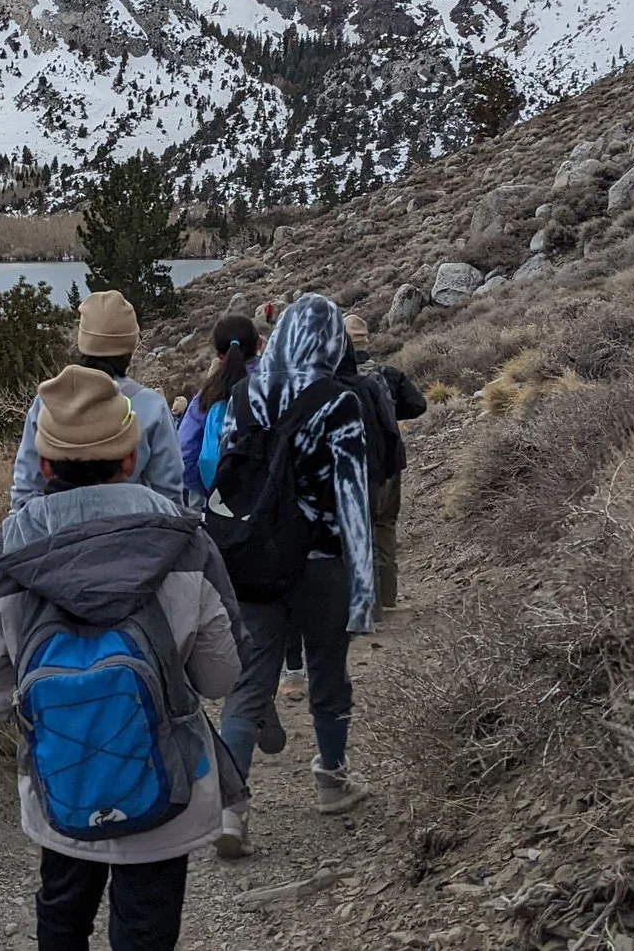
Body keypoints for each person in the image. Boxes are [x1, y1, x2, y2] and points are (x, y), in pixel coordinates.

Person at [0, 366, 244, 951]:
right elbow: (221, 675)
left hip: (61, 790)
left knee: (62, 917)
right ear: (131, 456)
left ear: (43, 466)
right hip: (169, 790)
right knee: (146, 928)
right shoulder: (186, 543)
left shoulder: (5, 559)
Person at [209, 295, 375, 858]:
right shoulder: (340, 403)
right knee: (328, 672)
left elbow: (229, 476)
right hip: (321, 562)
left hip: (253, 558)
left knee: (249, 682)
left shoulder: (242, 396)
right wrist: (365, 590)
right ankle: (331, 780)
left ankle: (231, 809)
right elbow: (353, 499)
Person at [10, 290, 189, 513]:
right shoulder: (152, 407)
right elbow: (169, 493)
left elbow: (25, 492)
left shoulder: (48, 402)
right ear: (131, 348)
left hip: (56, 540)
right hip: (132, 537)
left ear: (83, 343)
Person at [341, 315, 429, 610]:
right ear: (366, 341)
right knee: (386, 525)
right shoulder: (387, 375)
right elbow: (418, 404)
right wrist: (388, 418)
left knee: (359, 529)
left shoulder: (338, 381)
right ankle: (388, 595)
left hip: (356, 464)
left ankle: (369, 602)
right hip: (391, 462)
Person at [175, 314, 260, 508]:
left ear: (219, 354)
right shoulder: (277, 383)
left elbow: (185, 453)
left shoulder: (208, 395)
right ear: (259, 344)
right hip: (275, 501)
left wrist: (210, 490)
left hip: (222, 505)